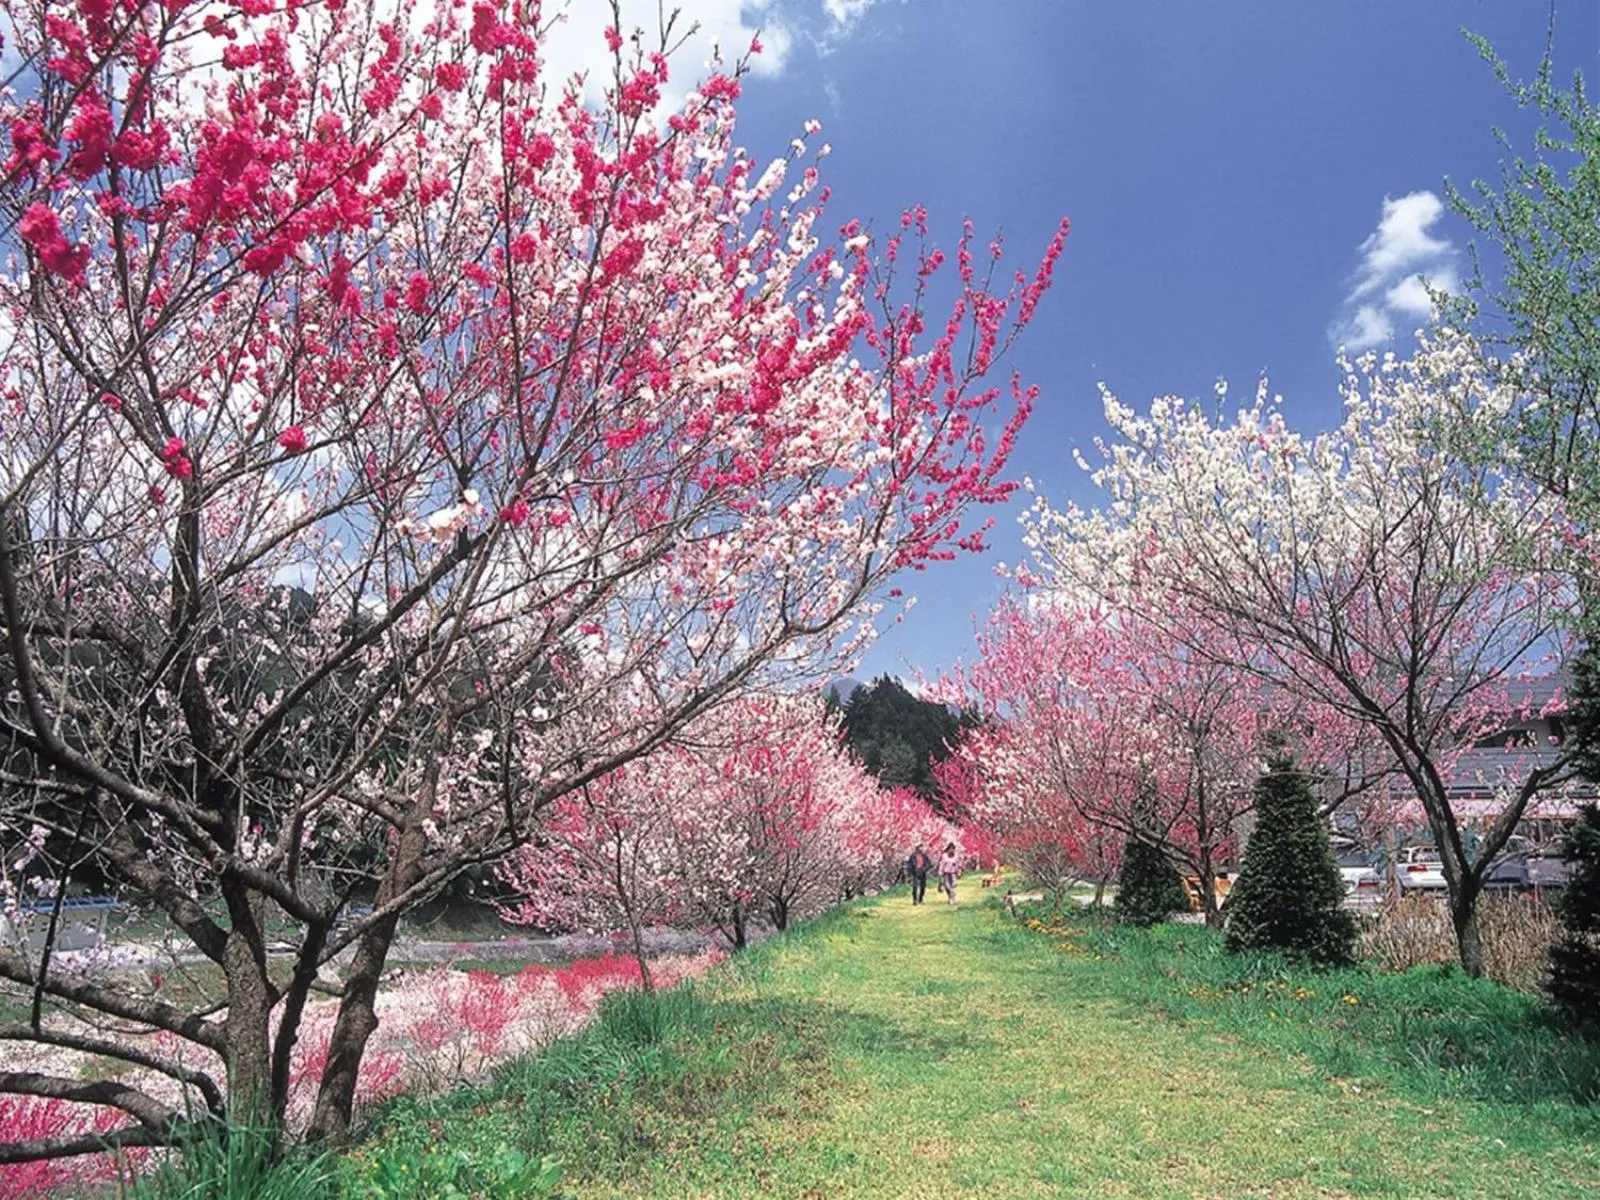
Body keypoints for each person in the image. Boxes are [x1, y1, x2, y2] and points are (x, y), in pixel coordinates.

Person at [938, 842, 961, 906]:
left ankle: (952, 898)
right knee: (947, 887)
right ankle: (950, 896)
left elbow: (957, 864)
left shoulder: (956, 856)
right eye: (950, 848)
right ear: (948, 849)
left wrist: (958, 872)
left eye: (953, 849)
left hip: (953, 873)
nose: (952, 850)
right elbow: (941, 865)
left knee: (953, 886)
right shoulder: (944, 856)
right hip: (946, 873)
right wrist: (940, 873)